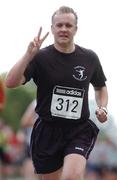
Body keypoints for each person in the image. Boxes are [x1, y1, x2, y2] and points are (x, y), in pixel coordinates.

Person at [5, 6, 108, 180]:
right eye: (59, 25)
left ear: (76, 29)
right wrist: (28, 55)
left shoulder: (89, 58)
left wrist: (102, 107)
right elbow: (10, 82)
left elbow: (100, 87)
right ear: (52, 28)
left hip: (78, 129)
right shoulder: (40, 57)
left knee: (71, 177)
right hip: (47, 130)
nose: (63, 29)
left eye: (68, 25)